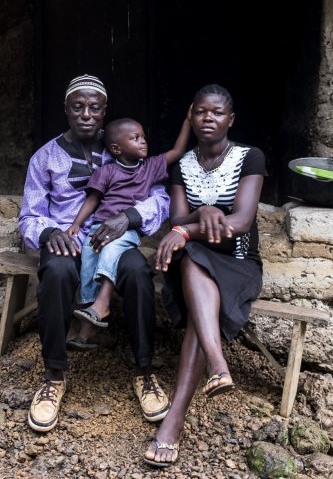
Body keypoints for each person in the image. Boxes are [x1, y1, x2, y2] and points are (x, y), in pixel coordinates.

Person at [19, 74, 172, 432]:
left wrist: (130, 216)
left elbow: (161, 198)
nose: (86, 114)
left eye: (95, 108)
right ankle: (54, 375)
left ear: (104, 113)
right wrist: (50, 232)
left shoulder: (124, 146)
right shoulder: (46, 157)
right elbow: (29, 214)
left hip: (116, 238)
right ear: (66, 110)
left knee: (137, 272)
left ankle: (144, 371)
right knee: (57, 273)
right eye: (78, 107)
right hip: (67, 238)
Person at [142, 84, 267, 468]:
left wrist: (189, 228)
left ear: (230, 119)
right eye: (200, 112)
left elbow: (242, 222)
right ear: (191, 117)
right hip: (194, 264)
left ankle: (174, 419)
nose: (207, 118)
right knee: (195, 260)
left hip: (238, 264)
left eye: (216, 112)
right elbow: (178, 217)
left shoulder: (250, 157)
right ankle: (216, 364)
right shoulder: (183, 165)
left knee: (195, 266)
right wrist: (204, 214)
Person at [65, 114, 191, 345]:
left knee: (111, 252)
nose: (143, 141)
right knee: (88, 265)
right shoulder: (106, 171)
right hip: (98, 227)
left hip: (126, 230)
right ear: (116, 148)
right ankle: (84, 333)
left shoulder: (151, 167)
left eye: (143, 137)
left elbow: (178, 150)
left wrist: (187, 121)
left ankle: (102, 304)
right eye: (135, 138)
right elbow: (92, 200)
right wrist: (76, 224)